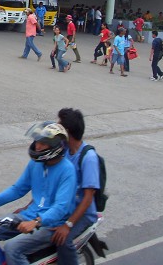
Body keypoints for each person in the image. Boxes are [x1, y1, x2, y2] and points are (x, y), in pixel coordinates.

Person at [0, 122, 76, 265]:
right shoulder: (36, 164)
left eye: (43, 143)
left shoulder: (67, 170)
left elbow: (60, 208)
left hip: (50, 225)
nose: (37, 146)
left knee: (12, 248)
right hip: (28, 216)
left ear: (56, 146)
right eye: (37, 141)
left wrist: (36, 222)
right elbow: (18, 189)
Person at [53, 108, 101, 265]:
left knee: (63, 240)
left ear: (68, 132)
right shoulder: (65, 151)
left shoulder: (88, 158)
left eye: (60, 128)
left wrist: (68, 225)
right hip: (66, 207)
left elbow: (88, 198)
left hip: (83, 214)